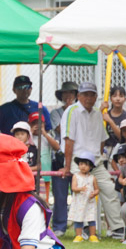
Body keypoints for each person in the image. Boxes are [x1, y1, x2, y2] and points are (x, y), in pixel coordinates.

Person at [59, 82, 122, 239]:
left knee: (109, 190)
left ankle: (117, 228)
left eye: (91, 94)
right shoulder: (71, 111)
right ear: (78, 96)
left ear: (95, 97)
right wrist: (67, 166)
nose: (88, 97)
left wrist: (98, 158)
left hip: (96, 161)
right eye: (85, 94)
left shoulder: (96, 114)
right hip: (77, 160)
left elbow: (102, 140)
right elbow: (68, 140)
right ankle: (85, 229)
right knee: (83, 193)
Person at [48, 81, 79, 236]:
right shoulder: (55, 113)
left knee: (80, 191)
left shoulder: (81, 112)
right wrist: (68, 111)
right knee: (59, 193)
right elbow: (61, 129)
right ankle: (59, 226)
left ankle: (82, 227)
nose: (69, 96)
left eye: (72, 93)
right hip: (60, 155)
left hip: (77, 156)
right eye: (66, 93)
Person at [69, 151, 100, 243]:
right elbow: (73, 188)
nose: (83, 166)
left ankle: (93, 235)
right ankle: (79, 235)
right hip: (79, 202)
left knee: (91, 218)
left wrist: (94, 193)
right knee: (78, 219)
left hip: (89, 202)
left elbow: (97, 189)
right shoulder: (76, 176)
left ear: (90, 167)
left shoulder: (92, 178)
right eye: (81, 164)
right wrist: (80, 189)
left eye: (86, 165)